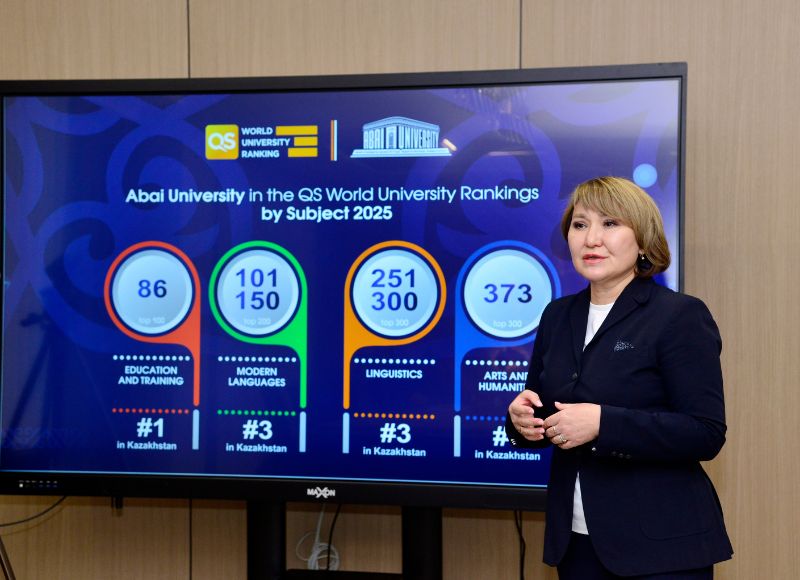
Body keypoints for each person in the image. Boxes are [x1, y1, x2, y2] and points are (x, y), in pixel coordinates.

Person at [506, 176, 732, 578]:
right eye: (580, 224)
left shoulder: (679, 316)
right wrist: (520, 423)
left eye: (610, 223)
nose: (591, 238)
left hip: (662, 549)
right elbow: (546, 410)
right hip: (575, 543)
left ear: (643, 241)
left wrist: (603, 424)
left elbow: (705, 432)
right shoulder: (557, 316)